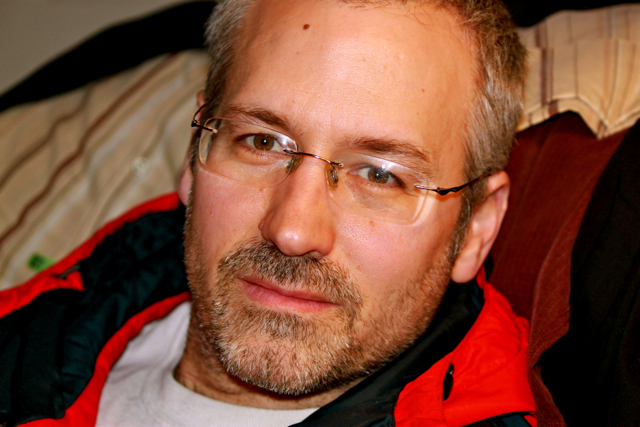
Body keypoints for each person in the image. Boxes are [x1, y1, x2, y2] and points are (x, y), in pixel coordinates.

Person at [0, 0, 534, 426]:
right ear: (194, 151)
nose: (292, 230)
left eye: (378, 175)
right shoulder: (29, 343)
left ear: (476, 229)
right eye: (263, 141)